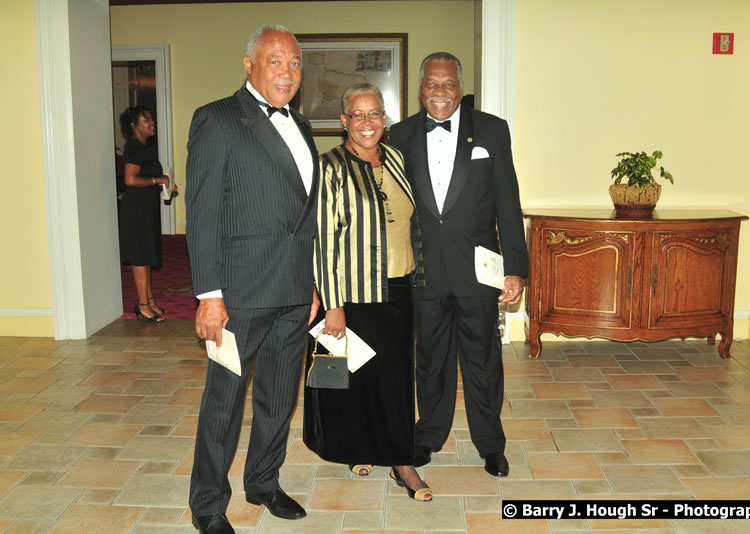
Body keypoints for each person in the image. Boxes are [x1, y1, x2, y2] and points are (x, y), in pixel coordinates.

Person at [185, 25, 319, 534]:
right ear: (250, 65)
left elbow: (303, 217)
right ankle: (208, 503)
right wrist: (209, 296)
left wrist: (310, 284)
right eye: (275, 61)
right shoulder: (217, 119)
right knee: (225, 400)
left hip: (291, 291)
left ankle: (263, 479)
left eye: (295, 63)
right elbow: (201, 216)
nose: (287, 72)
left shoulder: (303, 126)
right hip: (237, 294)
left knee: (280, 395)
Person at [389, 52, 528, 478]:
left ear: (461, 88)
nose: (440, 93)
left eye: (448, 84)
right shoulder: (400, 134)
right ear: (420, 88)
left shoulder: (491, 130)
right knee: (430, 359)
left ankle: (491, 444)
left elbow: (508, 201)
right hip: (425, 270)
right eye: (431, 84)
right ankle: (428, 435)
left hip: (478, 271)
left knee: (482, 359)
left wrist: (516, 269)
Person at [304, 83, 432, 502]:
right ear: (343, 121)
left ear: (385, 119)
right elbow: (323, 239)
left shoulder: (395, 159)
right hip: (354, 291)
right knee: (356, 377)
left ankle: (400, 460)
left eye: (374, 113)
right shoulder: (330, 167)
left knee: (395, 378)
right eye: (357, 115)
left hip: (399, 286)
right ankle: (360, 448)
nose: (366, 122)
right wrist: (333, 305)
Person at [118, 105, 175, 322]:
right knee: (140, 257)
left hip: (145, 208)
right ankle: (142, 305)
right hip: (136, 211)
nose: (152, 123)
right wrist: (156, 180)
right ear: (134, 126)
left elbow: (147, 177)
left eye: (151, 118)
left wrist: (165, 184)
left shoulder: (143, 148)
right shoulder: (133, 147)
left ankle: (149, 300)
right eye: (146, 120)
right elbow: (130, 180)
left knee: (147, 255)